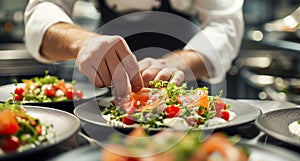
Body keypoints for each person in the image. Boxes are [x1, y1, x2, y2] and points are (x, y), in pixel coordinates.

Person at [24, 0, 244, 96]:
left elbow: (223, 23)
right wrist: (82, 42)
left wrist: (177, 63)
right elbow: (43, 8)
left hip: (185, 79)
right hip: (105, 82)